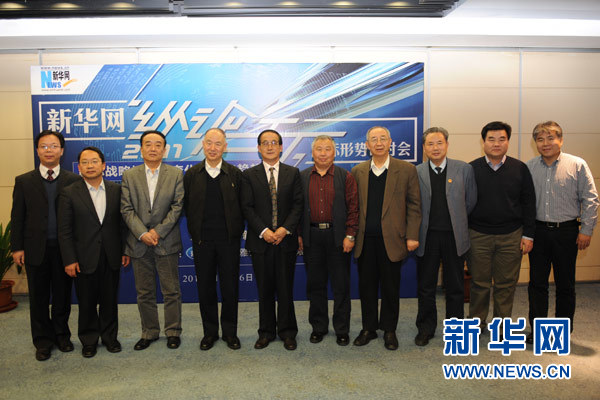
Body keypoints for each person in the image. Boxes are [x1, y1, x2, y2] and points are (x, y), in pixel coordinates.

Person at [10, 130, 81, 361]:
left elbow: (78, 219)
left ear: (62, 150)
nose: (49, 150)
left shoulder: (73, 180)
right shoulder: (23, 181)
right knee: (38, 298)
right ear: (37, 150)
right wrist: (17, 247)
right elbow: (17, 217)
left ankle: (61, 336)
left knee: (62, 296)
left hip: (63, 250)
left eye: (53, 146)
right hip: (34, 249)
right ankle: (42, 341)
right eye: (44, 146)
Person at [526, 121, 598, 342]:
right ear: (535, 143)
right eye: (540, 139)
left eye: (551, 138)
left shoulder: (577, 165)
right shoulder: (529, 167)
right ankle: (538, 331)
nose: (545, 143)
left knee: (565, 284)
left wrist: (586, 230)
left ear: (561, 140)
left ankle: (561, 333)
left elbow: (591, 199)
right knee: (537, 284)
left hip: (567, 232)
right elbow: (524, 203)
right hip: (538, 232)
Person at [351, 126, 421, 350]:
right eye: (374, 139)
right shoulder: (358, 171)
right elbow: (353, 207)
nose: (379, 143)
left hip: (393, 240)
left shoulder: (406, 169)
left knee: (391, 287)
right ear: (367, 145)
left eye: (383, 138)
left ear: (390, 142)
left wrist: (412, 235)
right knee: (367, 287)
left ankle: (389, 329)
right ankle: (369, 328)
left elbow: (414, 205)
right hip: (365, 241)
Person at [58, 147, 130, 358]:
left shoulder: (116, 190)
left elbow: (122, 225)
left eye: (94, 161)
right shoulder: (69, 193)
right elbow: (64, 230)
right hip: (83, 257)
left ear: (103, 165)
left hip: (111, 254)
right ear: (79, 167)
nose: (90, 166)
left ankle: (110, 338)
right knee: (87, 302)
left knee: (110, 301)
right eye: (85, 162)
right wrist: (69, 259)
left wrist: (124, 250)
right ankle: (89, 340)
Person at [468, 121, 536, 329]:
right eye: (491, 139)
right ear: (483, 142)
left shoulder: (520, 168)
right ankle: (477, 323)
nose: (496, 144)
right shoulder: (471, 168)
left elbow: (529, 203)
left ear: (508, 142)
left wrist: (528, 235)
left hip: (511, 235)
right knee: (479, 283)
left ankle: (501, 325)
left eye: (501, 139)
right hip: (478, 235)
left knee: (506, 284)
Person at [121, 130, 184, 350]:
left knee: (171, 291)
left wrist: (157, 232)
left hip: (166, 241)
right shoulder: (129, 175)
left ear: (164, 150)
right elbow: (126, 208)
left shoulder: (176, 174)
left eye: (158, 145)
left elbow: (177, 206)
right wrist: (143, 233)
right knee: (144, 292)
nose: (153, 148)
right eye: (148, 144)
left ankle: (173, 331)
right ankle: (149, 332)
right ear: (141, 149)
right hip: (139, 242)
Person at [414, 127, 477, 346]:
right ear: (424, 148)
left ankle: (456, 330)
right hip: (427, 237)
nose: (435, 148)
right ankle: (425, 328)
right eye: (430, 144)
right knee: (426, 286)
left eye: (439, 143)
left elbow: (470, 201)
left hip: (454, 237)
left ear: (447, 145)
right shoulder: (416, 171)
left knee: (455, 285)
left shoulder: (464, 169)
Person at [183, 128, 245, 351]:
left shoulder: (235, 174)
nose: (212, 148)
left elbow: (243, 207)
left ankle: (230, 333)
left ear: (225, 147)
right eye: (209, 143)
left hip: (229, 242)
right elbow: (186, 207)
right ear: (202, 144)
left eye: (218, 144)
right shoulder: (192, 175)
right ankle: (209, 333)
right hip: (202, 243)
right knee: (205, 288)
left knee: (230, 288)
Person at [241, 129, 303, 351]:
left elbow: (298, 205)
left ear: (281, 147)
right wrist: (264, 231)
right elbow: (247, 207)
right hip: (261, 241)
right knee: (265, 289)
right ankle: (266, 332)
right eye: (265, 143)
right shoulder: (249, 175)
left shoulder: (292, 173)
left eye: (274, 142)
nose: (269, 146)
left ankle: (288, 332)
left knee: (285, 289)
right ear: (258, 148)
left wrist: (284, 229)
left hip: (286, 241)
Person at [298, 135, 358, 346]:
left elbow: (353, 208)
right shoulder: (302, 176)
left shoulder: (345, 176)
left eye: (327, 149)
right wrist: (299, 234)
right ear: (312, 152)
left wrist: (350, 235)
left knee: (341, 286)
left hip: (338, 237)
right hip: (312, 237)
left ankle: (342, 329)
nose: (323, 153)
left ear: (334, 152)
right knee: (316, 285)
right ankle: (319, 327)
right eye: (319, 149)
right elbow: (297, 209)